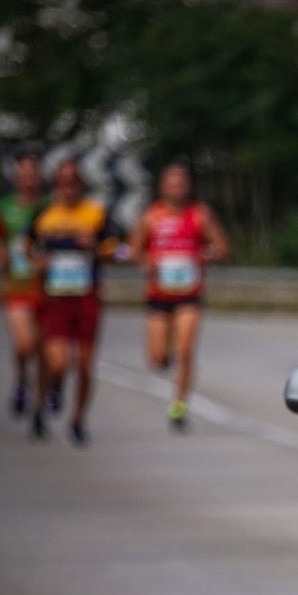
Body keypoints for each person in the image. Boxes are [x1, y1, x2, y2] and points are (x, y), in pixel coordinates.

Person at [129, 161, 230, 431]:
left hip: (189, 294)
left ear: (189, 186)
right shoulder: (151, 216)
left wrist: (205, 256)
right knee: (157, 359)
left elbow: (221, 247)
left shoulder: (200, 214)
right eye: (171, 184)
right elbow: (134, 251)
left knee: (185, 351)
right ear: (162, 186)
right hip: (159, 295)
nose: (177, 189)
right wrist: (147, 262)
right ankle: (167, 350)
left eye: (181, 183)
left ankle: (178, 406)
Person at [25, 158, 118, 446]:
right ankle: (49, 394)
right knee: (58, 361)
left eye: (73, 182)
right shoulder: (44, 214)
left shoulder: (96, 213)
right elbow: (27, 247)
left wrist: (96, 248)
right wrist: (37, 262)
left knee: (86, 365)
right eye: (63, 182)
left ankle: (78, 420)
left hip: (87, 298)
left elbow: (116, 250)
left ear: (81, 184)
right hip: (55, 298)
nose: (68, 188)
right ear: (55, 185)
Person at [0, 149, 49, 416]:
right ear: (15, 178)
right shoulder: (5, 207)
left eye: (32, 174)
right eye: (23, 174)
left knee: (44, 350)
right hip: (17, 286)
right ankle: (22, 379)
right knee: (25, 345)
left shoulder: (50, 206)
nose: (28, 179)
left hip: (48, 288)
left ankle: (40, 403)